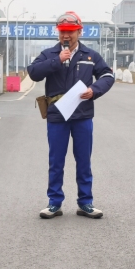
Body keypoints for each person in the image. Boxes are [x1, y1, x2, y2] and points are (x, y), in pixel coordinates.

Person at [27, 11, 115, 218]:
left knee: (83, 161)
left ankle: (85, 203)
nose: (66, 36)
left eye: (70, 31)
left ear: (79, 32)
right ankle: (54, 203)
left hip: (82, 115)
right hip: (57, 116)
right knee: (56, 161)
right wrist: (57, 60)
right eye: (62, 31)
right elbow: (33, 72)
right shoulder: (49, 54)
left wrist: (95, 90)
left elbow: (107, 75)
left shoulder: (90, 56)